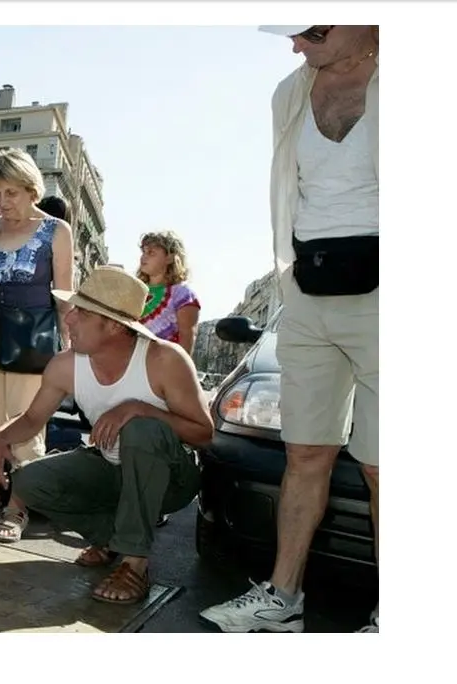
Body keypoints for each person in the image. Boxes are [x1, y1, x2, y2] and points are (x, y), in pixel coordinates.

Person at [202, 25, 379, 634]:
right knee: (304, 453)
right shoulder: (290, 92)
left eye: (311, 30)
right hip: (306, 291)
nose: (296, 45)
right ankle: (282, 599)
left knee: (389, 464)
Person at [0, 266, 212, 604]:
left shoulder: (164, 359)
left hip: (170, 479)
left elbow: (204, 434)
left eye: (82, 313)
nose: (69, 319)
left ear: (115, 325)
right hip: (111, 464)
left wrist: (143, 408)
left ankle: (135, 563)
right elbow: (32, 419)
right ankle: (114, 538)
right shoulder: (65, 364)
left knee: (141, 429)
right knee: (30, 483)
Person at [0, 149, 74, 538]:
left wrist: (69, 347)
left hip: (34, 330)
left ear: (31, 190)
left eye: (11, 193)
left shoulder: (57, 231)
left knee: (26, 417)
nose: (2, 203)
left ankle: (18, 508)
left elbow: (65, 293)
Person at [136, 231, 200, 356]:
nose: (144, 257)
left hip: (162, 369)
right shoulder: (134, 291)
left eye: (151, 253)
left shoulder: (183, 296)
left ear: (170, 258)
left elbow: (186, 340)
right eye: (143, 252)